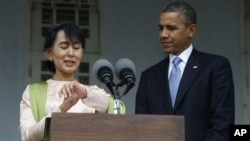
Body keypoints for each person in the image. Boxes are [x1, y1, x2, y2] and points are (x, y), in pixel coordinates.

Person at [135, 2, 234, 141]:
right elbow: (142, 127)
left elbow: (222, 124)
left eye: (171, 28)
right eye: (161, 28)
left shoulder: (216, 67)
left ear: (192, 30)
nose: (163, 34)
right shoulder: (149, 76)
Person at [19, 22, 112, 141]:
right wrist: (62, 109)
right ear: (49, 53)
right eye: (64, 47)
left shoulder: (91, 91)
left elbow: (112, 109)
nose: (71, 53)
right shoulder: (33, 92)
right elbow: (27, 136)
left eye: (76, 48)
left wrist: (85, 93)